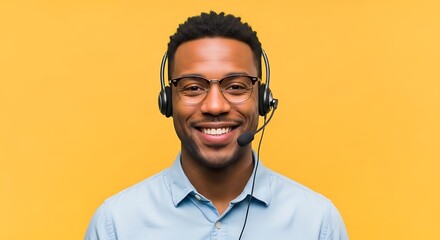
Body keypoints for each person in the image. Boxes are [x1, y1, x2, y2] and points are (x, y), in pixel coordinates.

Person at [85, 11, 348, 240]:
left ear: (263, 98)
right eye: (193, 87)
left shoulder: (317, 224)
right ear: (167, 102)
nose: (214, 106)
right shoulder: (115, 225)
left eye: (235, 86)